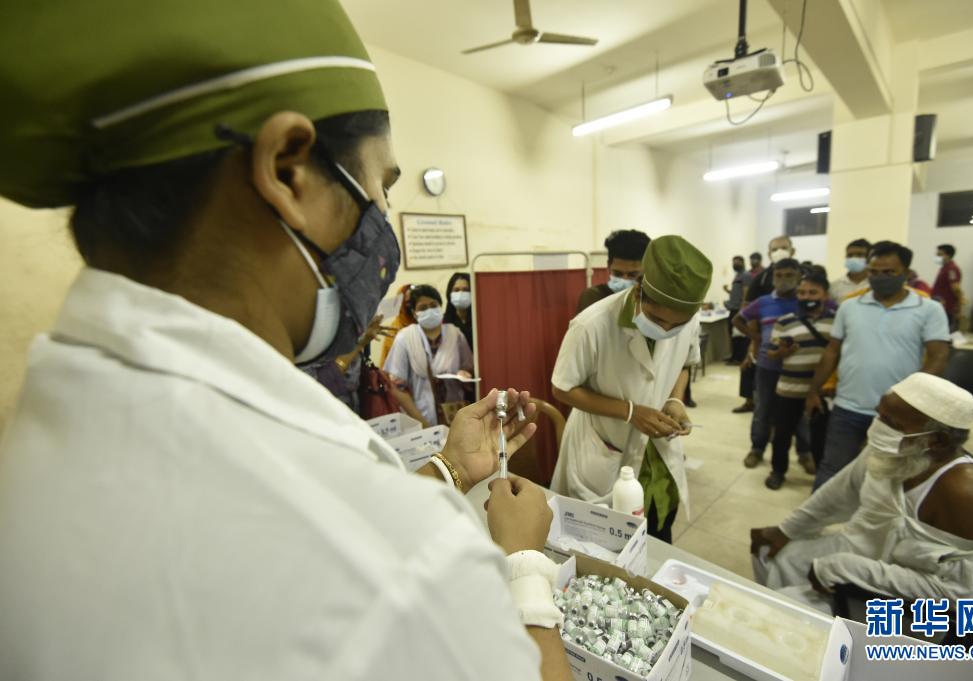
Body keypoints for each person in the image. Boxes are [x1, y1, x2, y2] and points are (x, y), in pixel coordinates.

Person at [0, 3, 572, 680]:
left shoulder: (51, 423)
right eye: (380, 187)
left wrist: (448, 466)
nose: (381, 224)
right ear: (288, 168)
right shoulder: (395, 564)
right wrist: (523, 563)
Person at [751, 373, 973, 614]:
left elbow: (963, 598)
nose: (877, 427)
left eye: (892, 424)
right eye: (879, 415)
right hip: (861, 552)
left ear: (937, 441)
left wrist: (846, 569)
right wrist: (786, 529)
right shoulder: (895, 448)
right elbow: (840, 492)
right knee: (770, 554)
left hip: (908, 608)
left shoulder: (966, 494)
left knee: (781, 612)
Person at [551, 236, 710, 543]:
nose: (666, 331)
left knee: (658, 533)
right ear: (639, 291)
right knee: (602, 544)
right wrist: (631, 412)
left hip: (656, 451)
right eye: (658, 320)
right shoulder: (592, 325)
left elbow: (685, 362)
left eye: (677, 326)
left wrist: (675, 399)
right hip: (604, 445)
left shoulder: (688, 318)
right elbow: (562, 388)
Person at [807, 241, 951, 489]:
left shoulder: (929, 309)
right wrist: (813, 390)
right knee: (832, 469)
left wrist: (911, 398)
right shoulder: (849, 306)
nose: (879, 277)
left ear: (906, 273)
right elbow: (832, 351)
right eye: (874, 272)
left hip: (897, 414)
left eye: (889, 272)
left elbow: (938, 356)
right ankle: (815, 515)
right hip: (847, 407)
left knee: (889, 479)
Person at [763, 268, 835, 489]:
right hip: (789, 389)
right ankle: (778, 471)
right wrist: (782, 352)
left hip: (822, 392)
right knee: (782, 435)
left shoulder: (836, 321)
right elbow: (771, 353)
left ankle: (820, 479)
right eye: (802, 293)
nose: (807, 297)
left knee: (820, 437)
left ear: (825, 295)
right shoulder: (785, 321)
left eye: (813, 293)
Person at [733, 258, 805, 469]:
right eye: (779, 275)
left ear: (799, 276)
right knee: (762, 410)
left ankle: (805, 452)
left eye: (789, 275)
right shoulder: (763, 302)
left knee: (801, 414)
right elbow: (737, 320)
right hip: (767, 367)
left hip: (798, 368)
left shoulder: (804, 301)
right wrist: (755, 337)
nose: (783, 280)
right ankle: (757, 448)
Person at [385, 284, 475, 427]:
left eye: (433, 305)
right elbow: (396, 387)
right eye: (423, 308)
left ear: (440, 307)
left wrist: (465, 375)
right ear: (414, 313)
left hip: (453, 414)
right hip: (417, 417)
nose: (429, 310)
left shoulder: (455, 334)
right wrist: (422, 423)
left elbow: (469, 370)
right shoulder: (405, 338)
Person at [733, 237, 796, 414]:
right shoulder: (761, 278)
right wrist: (755, 339)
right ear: (769, 254)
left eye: (784, 248)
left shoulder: (804, 275)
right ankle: (750, 402)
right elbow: (747, 309)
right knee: (755, 374)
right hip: (764, 338)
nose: (779, 252)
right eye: (775, 249)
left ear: (792, 250)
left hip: (798, 345)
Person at [304, 313, 393, 412]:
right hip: (325, 411)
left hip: (351, 408)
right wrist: (359, 345)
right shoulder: (306, 340)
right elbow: (323, 383)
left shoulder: (343, 330)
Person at [576, 229, 650, 314]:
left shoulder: (652, 299)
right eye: (618, 274)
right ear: (608, 266)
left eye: (632, 275)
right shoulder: (593, 297)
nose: (624, 280)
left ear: (646, 269)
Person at [379, 282, 417, 367]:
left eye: (414, 302)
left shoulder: (425, 324)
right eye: (408, 303)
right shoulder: (394, 329)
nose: (412, 306)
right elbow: (387, 363)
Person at [724, 255, 753, 364]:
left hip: (739, 309)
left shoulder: (746, 275)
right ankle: (734, 356)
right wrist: (727, 291)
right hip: (733, 308)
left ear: (743, 262)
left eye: (737, 262)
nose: (734, 264)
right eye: (733, 262)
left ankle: (739, 358)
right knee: (733, 334)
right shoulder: (737, 275)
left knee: (740, 335)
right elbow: (737, 293)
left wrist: (742, 309)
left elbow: (746, 291)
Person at [933, 244, 965, 332]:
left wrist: (960, 306)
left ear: (948, 255)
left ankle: (952, 341)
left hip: (947, 307)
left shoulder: (952, 269)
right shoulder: (944, 268)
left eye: (939, 254)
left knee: (948, 332)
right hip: (940, 306)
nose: (937, 257)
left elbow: (956, 288)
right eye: (936, 255)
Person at [829, 238, 871, 303]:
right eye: (850, 255)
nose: (854, 258)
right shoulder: (834, 286)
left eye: (859, 254)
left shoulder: (875, 284)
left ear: (869, 257)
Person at [444, 272, 474, 352]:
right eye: (456, 290)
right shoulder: (443, 323)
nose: (460, 293)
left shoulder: (481, 321)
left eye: (466, 290)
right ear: (449, 294)